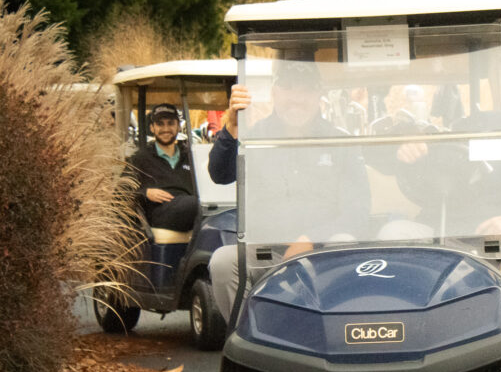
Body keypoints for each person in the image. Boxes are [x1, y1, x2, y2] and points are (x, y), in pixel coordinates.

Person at [207, 61, 371, 320]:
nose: (296, 98)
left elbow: (358, 211)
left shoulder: (340, 141)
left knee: (345, 243)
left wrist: (310, 239)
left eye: (305, 91)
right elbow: (220, 174)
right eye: (288, 89)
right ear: (275, 94)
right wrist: (232, 128)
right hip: (267, 250)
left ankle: (335, 334)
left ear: (318, 96)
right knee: (223, 262)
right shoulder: (255, 135)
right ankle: (249, 336)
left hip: (322, 250)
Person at [126, 103, 198, 232]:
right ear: (152, 128)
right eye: (160, 124)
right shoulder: (140, 158)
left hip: (190, 210)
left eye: (170, 123)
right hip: (160, 213)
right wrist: (145, 193)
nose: (166, 129)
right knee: (195, 204)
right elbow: (120, 192)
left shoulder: (191, 157)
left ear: (178, 127)